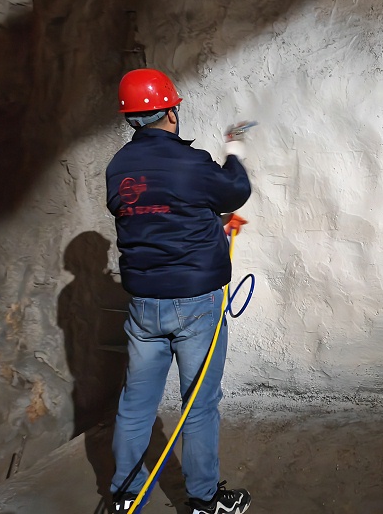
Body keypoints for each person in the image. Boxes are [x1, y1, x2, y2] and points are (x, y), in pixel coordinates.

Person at [105, 68, 252, 514]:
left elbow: (149, 215)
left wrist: (202, 221)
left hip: (143, 307)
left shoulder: (117, 168)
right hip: (196, 304)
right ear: (170, 110)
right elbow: (235, 190)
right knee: (200, 405)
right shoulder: (193, 163)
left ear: (131, 118)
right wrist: (235, 148)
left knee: (135, 404)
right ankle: (205, 502)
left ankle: (125, 498)